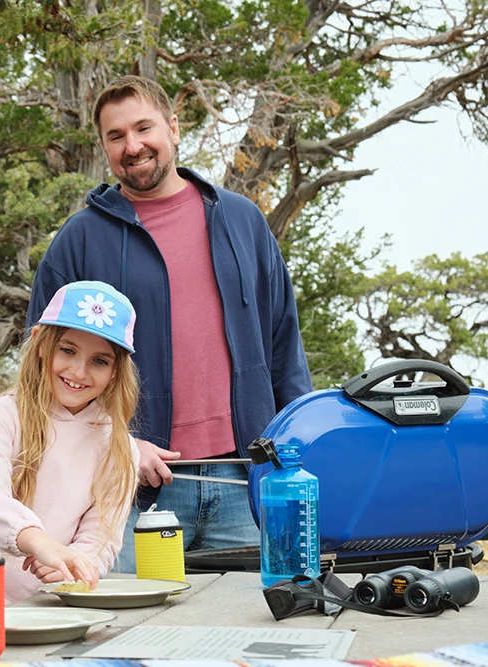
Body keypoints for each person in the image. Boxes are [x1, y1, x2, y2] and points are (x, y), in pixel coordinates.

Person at [26, 75, 313, 573]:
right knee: (132, 642)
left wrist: (299, 452)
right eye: (116, 136)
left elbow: (284, 346)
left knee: (248, 638)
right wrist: (118, 444)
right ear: (104, 147)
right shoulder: (78, 241)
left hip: (244, 483)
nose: (133, 146)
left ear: (173, 128)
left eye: (144, 128)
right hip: (130, 493)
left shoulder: (243, 221)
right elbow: (41, 374)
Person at [0, 280, 140, 604]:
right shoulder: (0, 417)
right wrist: (40, 542)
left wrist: (73, 567)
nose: (79, 371)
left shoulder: (119, 447)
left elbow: (101, 540)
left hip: (50, 608)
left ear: (115, 371)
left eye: (99, 360)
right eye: (68, 350)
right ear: (41, 344)